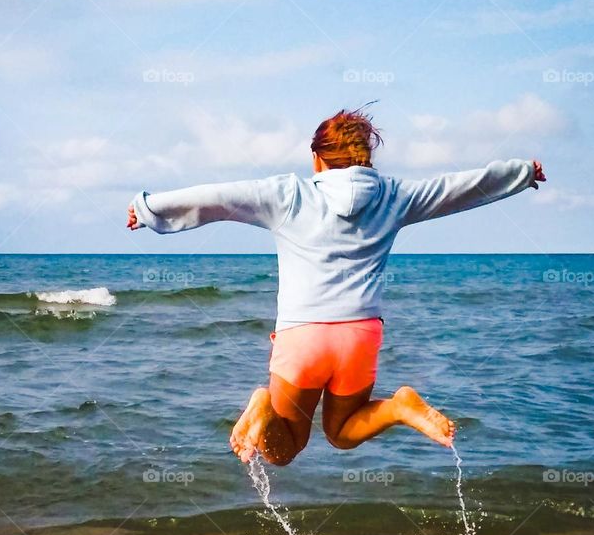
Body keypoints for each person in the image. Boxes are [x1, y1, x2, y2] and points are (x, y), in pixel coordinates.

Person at [127, 107, 545, 465]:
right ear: (366, 156)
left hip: (303, 337)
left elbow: (216, 197)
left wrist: (149, 210)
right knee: (343, 433)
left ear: (317, 158)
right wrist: (523, 173)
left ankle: (262, 406)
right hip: (359, 336)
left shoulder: (288, 194)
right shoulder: (393, 195)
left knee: (286, 448)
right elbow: (459, 188)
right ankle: (399, 407)